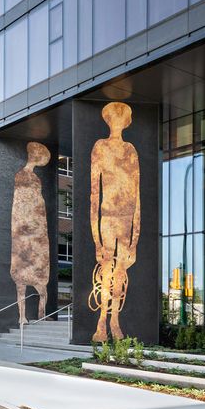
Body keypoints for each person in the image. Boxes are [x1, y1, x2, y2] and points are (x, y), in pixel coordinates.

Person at [89, 102, 141, 342]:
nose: (117, 123)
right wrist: (97, 240)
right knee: (107, 273)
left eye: (122, 118)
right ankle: (101, 322)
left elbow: (136, 195)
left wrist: (134, 240)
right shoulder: (100, 148)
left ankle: (115, 322)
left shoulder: (131, 150)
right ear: (108, 120)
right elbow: (94, 194)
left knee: (119, 275)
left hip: (125, 221)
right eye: (114, 118)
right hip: (108, 218)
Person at [10, 142, 51, 326]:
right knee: (23, 285)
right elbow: (21, 205)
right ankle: (22, 317)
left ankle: (39, 315)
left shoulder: (33, 178)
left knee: (39, 287)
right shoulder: (24, 177)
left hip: (34, 235)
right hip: (26, 235)